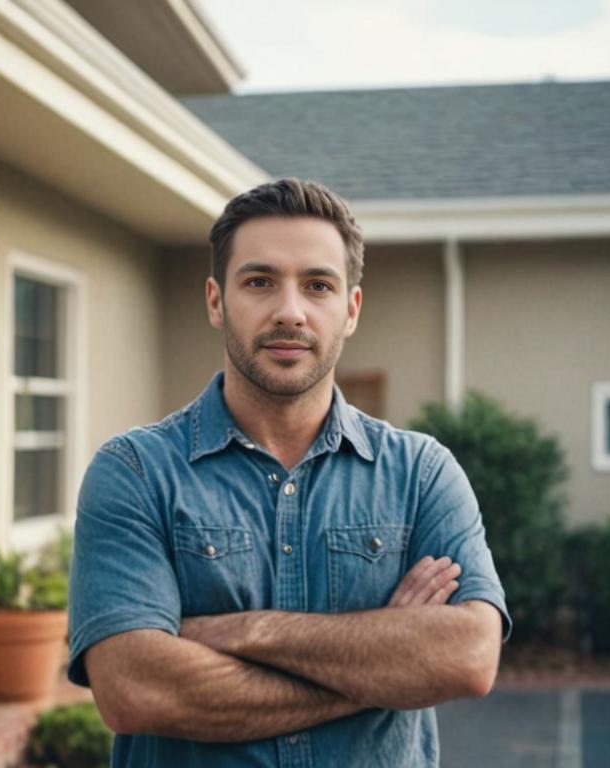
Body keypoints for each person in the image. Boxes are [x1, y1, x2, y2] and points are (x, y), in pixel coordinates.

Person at [68, 178, 511, 767]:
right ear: (215, 300)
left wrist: (242, 632)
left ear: (350, 310)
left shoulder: (421, 474)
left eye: (318, 285)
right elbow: (135, 689)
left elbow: (468, 658)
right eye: (259, 282)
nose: (289, 311)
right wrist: (382, 664)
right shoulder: (136, 472)